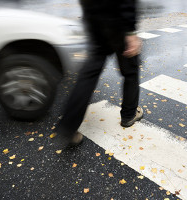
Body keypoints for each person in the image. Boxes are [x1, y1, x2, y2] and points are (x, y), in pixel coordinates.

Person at [56, 0, 143, 146]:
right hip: (117, 18)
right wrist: (130, 31)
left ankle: (68, 127)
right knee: (131, 71)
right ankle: (129, 115)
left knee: (89, 74)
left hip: (94, 18)